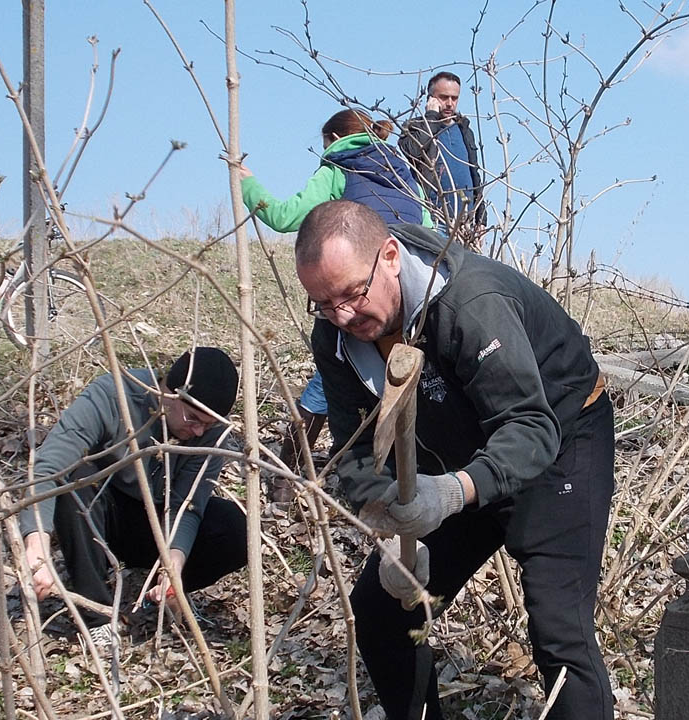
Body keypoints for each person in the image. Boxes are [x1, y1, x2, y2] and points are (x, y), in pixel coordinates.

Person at [294, 200, 615, 719]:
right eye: (324, 304)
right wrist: (390, 520)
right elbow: (354, 450)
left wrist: (447, 493)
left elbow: (530, 428)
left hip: (559, 437)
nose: (343, 316)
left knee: (559, 627)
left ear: (391, 257)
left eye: (352, 293)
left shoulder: (470, 302)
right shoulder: (336, 338)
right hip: (457, 457)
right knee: (382, 610)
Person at [240, 108, 433, 475]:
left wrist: (245, 181)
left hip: (357, 288)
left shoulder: (336, 168)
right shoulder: (402, 170)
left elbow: (284, 217)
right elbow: (429, 227)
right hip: (412, 290)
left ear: (332, 139)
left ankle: (290, 470)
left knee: (333, 368)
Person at [19, 347, 248, 647]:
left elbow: (187, 506)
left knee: (236, 527)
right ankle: (96, 615)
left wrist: (173, 564)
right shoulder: (113, 394)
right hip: (99, 512)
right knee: (76, 479)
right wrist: (36, 547)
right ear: (167, 390)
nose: (198, 431)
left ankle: (160, 591)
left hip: (156, 518)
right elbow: (50, 467)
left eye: (208, 424)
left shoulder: (210, 434)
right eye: (193, 418)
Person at [399, 71, 487, 235]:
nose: (449, 103)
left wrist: (481, 218)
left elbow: (474, 173)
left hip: (465, 222)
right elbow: (411, 151)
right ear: (430, 98)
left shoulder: (464, 130)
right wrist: (431, 117)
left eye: (454, 98)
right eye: (443, 97)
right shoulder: (415, 127)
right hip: (433, 218)